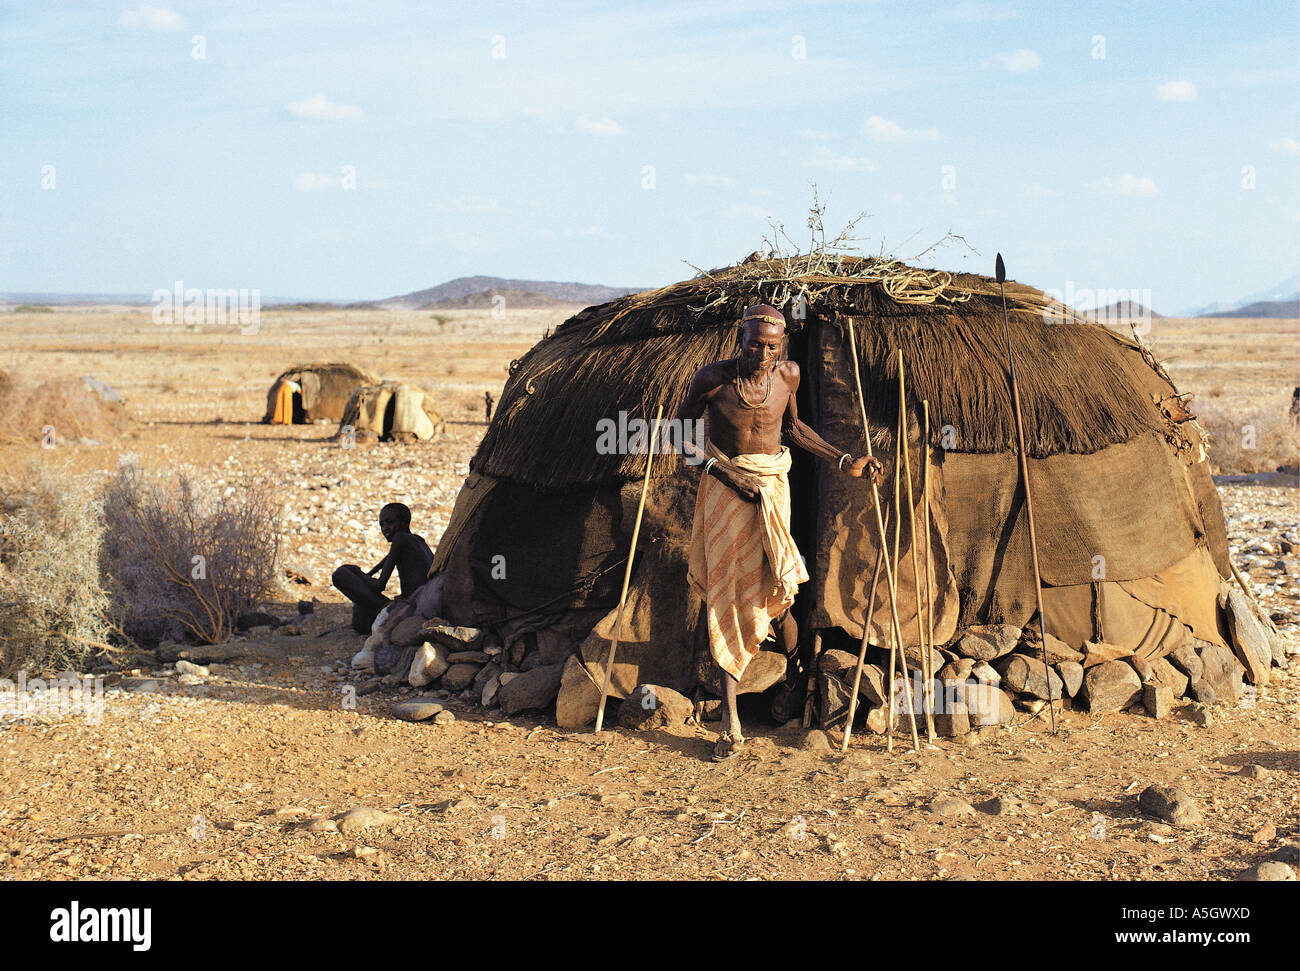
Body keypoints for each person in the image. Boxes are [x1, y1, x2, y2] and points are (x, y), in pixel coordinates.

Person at [677, 304, 883, 761]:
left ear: (783, 344)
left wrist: (846, 461)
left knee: (779, 585)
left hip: (773, 486)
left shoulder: (787, 376)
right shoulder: (712, 379)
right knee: (728, 593)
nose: (764, 353)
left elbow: (793, 429)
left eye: (772, 345)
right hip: (727, 492)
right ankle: (730, 720)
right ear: (741, 337)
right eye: (755, 344)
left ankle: (790, 680)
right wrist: (727, 474)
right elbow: (678, 435)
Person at [332, 503, 434, 635]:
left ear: (404, 522)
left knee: (340, 574)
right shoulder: (417, 540)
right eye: (382, 525)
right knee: (358, 595)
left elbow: (379, 586)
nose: (385, 528)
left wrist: (359, 574)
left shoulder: (400, 538)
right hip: (420, 604)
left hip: (410, 609)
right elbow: (388, 559)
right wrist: (368, 574)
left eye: (390, 522)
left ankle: (369, 625)